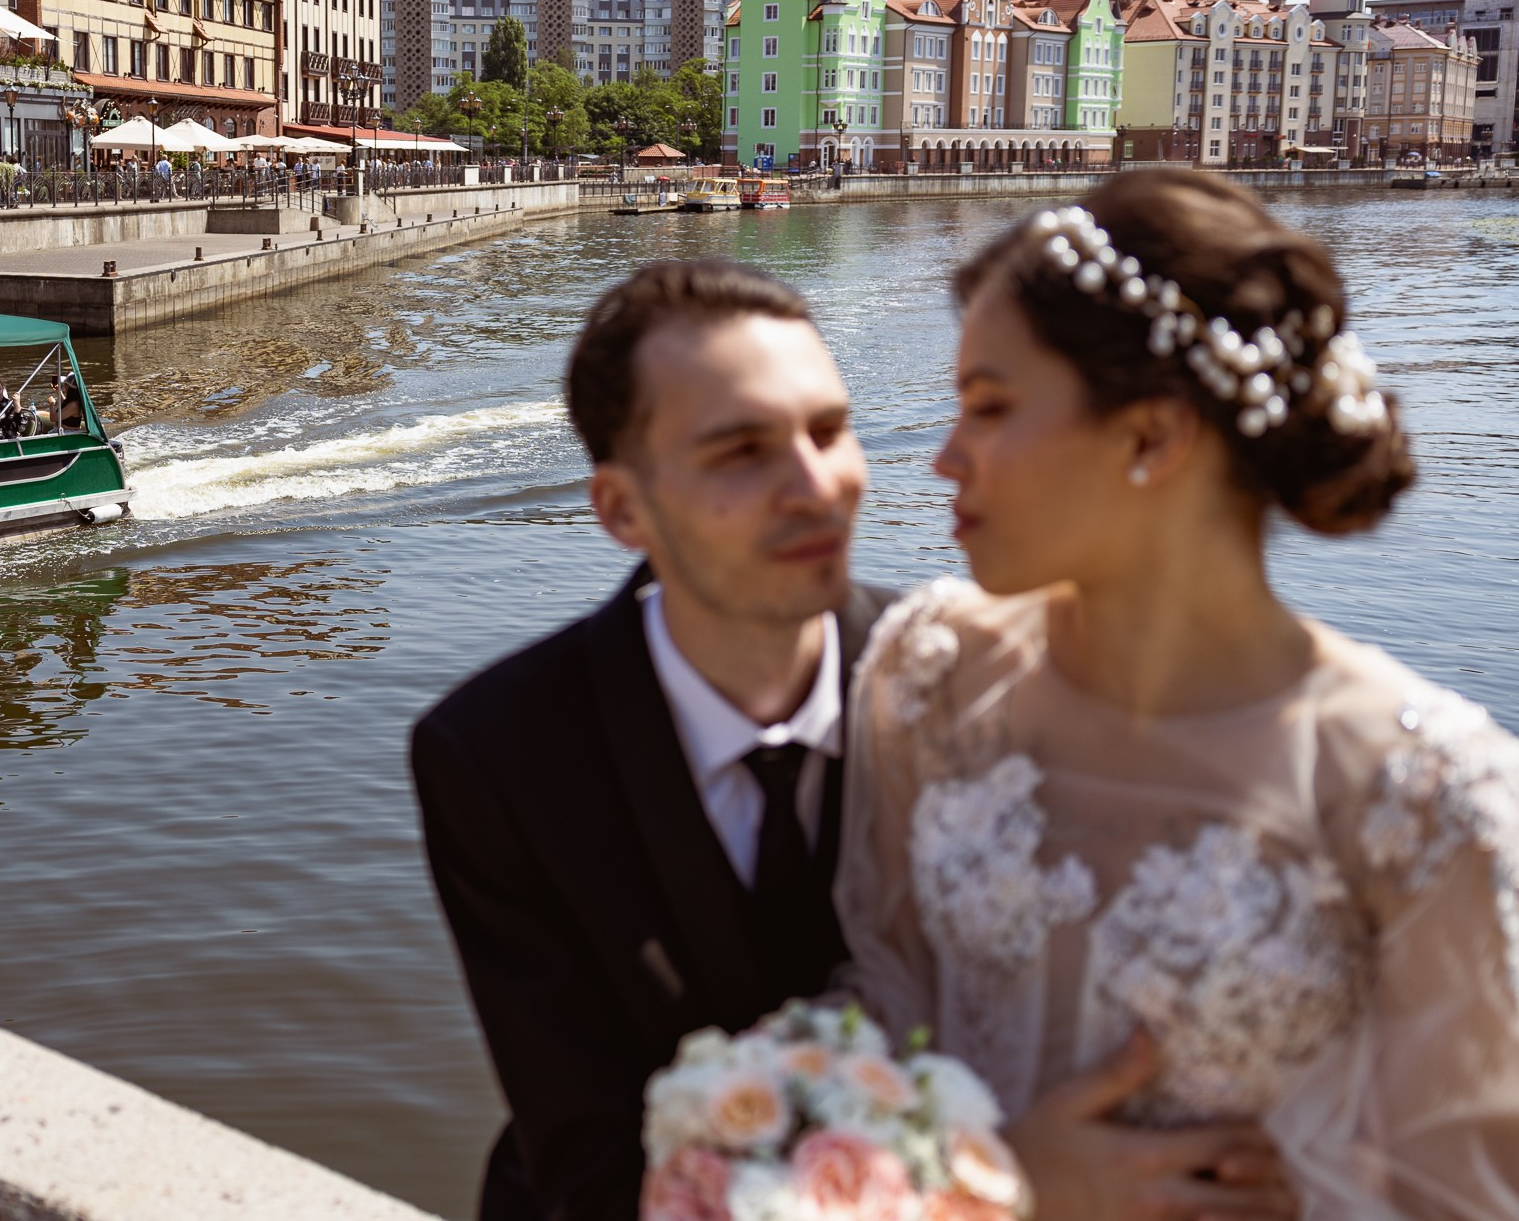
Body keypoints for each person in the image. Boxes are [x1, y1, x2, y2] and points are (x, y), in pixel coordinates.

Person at [413, 258, 1294, 1221]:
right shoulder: (498, 754)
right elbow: (591, 1170)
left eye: (830, 431)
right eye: (741, 451)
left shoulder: (981, 683)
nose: (816, 486)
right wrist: (1005, 1180)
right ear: (623, 509)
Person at [838, 170, 1519, 1220]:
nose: (942, 456)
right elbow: (871, 1016)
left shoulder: (1426, 795)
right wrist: (987, 1174)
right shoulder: (929, 673)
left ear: (1152, 437)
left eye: (988, 405)